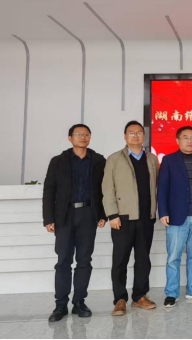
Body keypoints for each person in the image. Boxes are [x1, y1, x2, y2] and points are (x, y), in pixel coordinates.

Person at [43, 124, 107, 323]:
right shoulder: (58, 161)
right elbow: (49, 190)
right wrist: (49, 218)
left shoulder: (99, 161)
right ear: (70, 138)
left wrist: (102, 214)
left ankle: (79, 302)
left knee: (84, 260)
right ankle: (60, 304)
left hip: (88, 214)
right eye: (78, 134)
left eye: (86, 134)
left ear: (90, 137)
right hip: (64, 215)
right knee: (63, 260)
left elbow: (104, 189)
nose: (83, 137)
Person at [103, 121, 160, 316]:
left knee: (143, 259)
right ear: (125, 136)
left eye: (139, 132)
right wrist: (112, 214)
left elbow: (156, 186)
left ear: (144, 136)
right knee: (120, 260)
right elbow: (107, 189)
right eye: (131, 133)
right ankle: (120, 299)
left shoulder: (152, 159)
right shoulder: (114, 159)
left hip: (146, 217)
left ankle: (139, 296)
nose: (135, 136)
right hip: (122, 219)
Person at [158, 126, 192, 308]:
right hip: (176, 217)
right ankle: (171, 293)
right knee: (173, 258)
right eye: (185, 137)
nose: (190, 141)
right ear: (178, 140)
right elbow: (162, 188)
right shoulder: (169, 160)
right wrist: (163, 212)